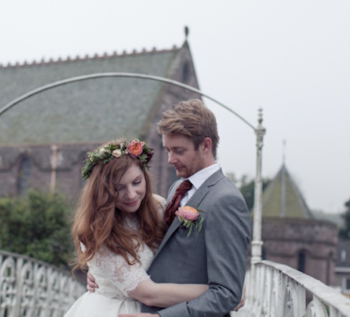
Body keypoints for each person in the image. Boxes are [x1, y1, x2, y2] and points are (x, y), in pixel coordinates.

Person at [90, 99, 251, 317]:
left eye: (178, 151)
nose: (170, 159)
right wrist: (105, 274)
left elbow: (226, 293)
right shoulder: (177, 187)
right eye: (167, 150)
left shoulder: (226, 201)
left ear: (205, 145)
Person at [64, 139, 210, 317]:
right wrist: (219, 292)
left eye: (136, 182)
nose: (131, 194)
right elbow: (149, 294)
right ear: (103, 191)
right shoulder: (98, 231)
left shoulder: (157, 206)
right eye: (118, 189)